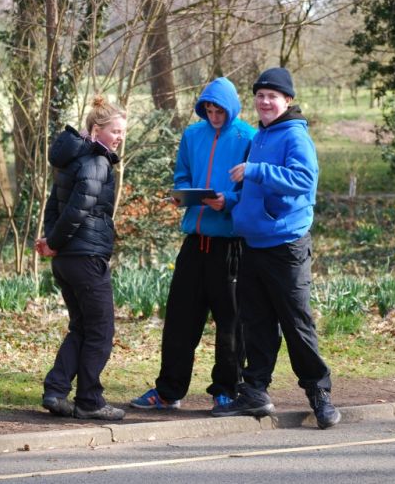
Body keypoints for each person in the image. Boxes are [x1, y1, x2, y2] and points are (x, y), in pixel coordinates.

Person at [211, 67, 341, 429]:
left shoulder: (295, 137)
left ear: (287, 100)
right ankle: (256, 391)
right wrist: (231, 201)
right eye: (260, 96)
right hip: (253, 244)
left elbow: (303, 182)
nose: (265, 102)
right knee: (257, 324)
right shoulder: (262, 136)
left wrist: (255, 171)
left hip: (286, 246)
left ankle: (320, 396)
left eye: (272, 96)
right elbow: (256, 189)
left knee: (296, 323)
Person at [129, 77, 254, 411]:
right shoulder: (191, 135)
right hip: (194, 242)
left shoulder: (249, 137)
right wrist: (182, 194)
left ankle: (226, 391)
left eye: (219, 111)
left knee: (231, 323)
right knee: (180, 321)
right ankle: (168, 392)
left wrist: (227, 200)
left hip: (230, 245)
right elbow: (182, 176)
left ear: (232, 108)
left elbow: (253, 192)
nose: (213, 116)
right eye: (208, 110)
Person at [37, 95, 127, 421]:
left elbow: (53, 206)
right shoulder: (96, 163)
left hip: (67, 260)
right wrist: (55, 242)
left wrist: (51, 242)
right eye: (114, 131)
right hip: (86, 258)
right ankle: (90, 400)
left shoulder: (72, 160)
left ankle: (56, 391)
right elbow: (77, 211)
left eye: (121, 132)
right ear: (95, 129)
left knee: (82, 327)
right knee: (100, 331)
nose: (119, 137)